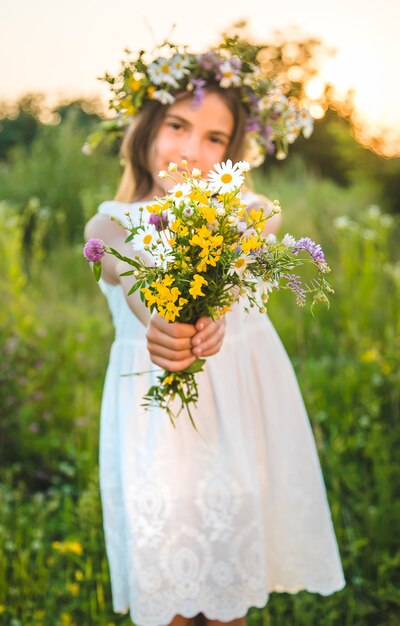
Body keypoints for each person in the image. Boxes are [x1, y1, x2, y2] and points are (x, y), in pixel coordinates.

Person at [84, 40, 345, 626]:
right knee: (173, 600)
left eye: (215, 139)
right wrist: (158, 320)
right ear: (147, 129)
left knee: (230, 600)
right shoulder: (110, 222)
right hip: (156, 430)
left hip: (241, 421)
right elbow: (129, 272)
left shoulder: (252, 211)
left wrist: (214, 303)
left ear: (234, 152)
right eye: (177, 125)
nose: (192, 150)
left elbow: (240, 251)